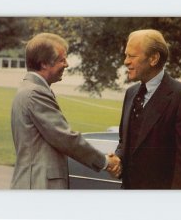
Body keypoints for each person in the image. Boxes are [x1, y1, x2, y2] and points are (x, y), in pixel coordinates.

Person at [10, 32, 120, 189]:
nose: (67, 64)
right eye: (62, 60)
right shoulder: (35, 93)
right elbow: (65, 138)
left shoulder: (29, 89)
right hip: (39, 185)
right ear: (44, 64)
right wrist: (106, 162)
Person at [112, 29, 181, 189]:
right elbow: (125, 141)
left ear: (153, 58)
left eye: (131, 56)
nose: (126, 61)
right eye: (126, 55)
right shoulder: (131, 93)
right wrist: (119, 158)